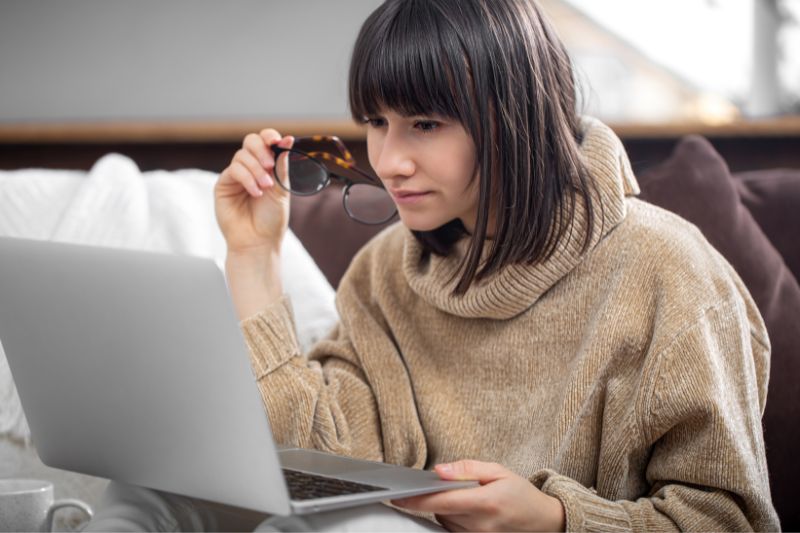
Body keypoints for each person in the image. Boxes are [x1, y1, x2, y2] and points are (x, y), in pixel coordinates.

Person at [86, 0, 780, 531]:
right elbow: (320, 455)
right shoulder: (387, 270)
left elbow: (732, 517)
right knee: (147, 485)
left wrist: (555, 518)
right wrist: (252, 256)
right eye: (377, 122)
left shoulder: (667, 269)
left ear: (514, 117)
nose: (389, 160)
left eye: (424, 124)